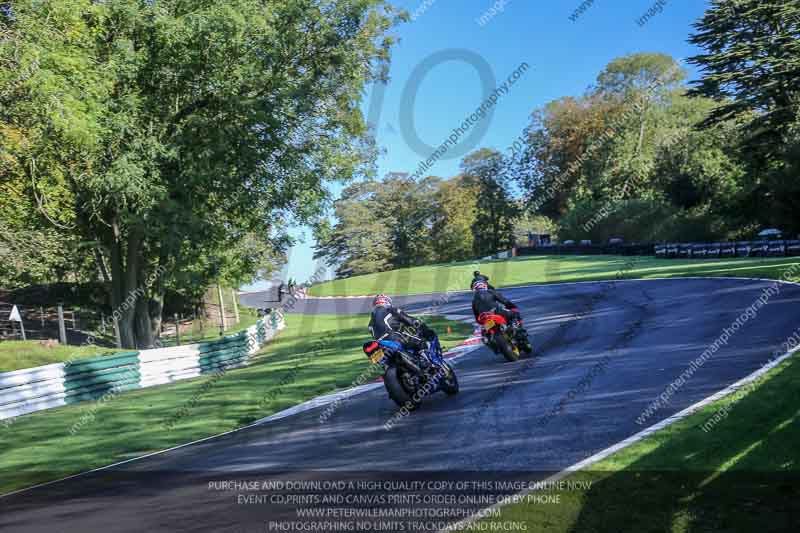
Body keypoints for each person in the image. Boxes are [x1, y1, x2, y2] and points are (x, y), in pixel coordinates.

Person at [368, 294, 434, 357]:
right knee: (421, 342)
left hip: (381, 346)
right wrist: (424, 328)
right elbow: (410, 320)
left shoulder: (370, 324)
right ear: (386, 302)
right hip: (394, 339)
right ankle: (429, 364)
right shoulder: (391, 310)